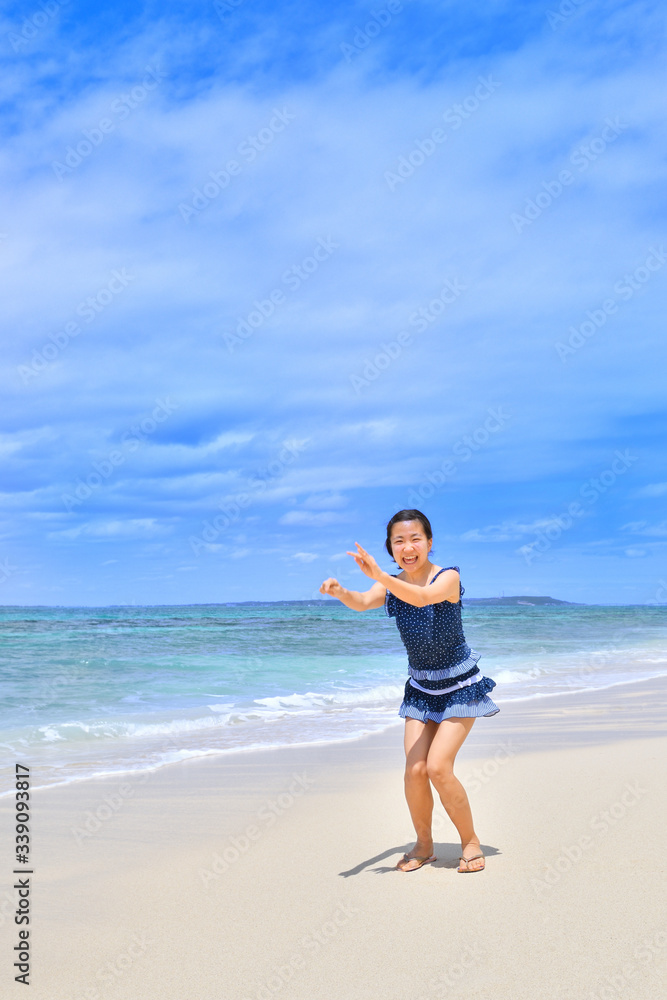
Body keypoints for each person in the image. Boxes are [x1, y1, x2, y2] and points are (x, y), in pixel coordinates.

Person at [319, 509, 499, 873]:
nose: (408, 546)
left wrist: (381, 575)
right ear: (390, 547)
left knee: (437, 767)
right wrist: (340, 592)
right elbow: (363, 600)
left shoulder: (448, 577)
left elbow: (421, 598)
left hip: (459, 687)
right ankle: (424, 844)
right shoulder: (389, 583)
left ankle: (470, 841)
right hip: (420, 687)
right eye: (398, 541)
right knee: (414, 770)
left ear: (429, 542)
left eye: (415, 538)